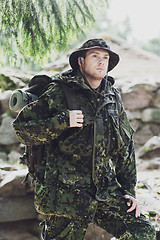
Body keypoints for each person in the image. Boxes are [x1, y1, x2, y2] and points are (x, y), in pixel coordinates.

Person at [13, 38, 156, 240]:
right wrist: (62, 121)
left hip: (104, 191)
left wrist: (129, 190)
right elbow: (22, 129)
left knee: (142, 232)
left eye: (105, 58)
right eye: (95, 56)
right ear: (81, 61)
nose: (101, 62)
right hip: (66, 195)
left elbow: (125, 145)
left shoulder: (112, 97)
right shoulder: (59, 92)